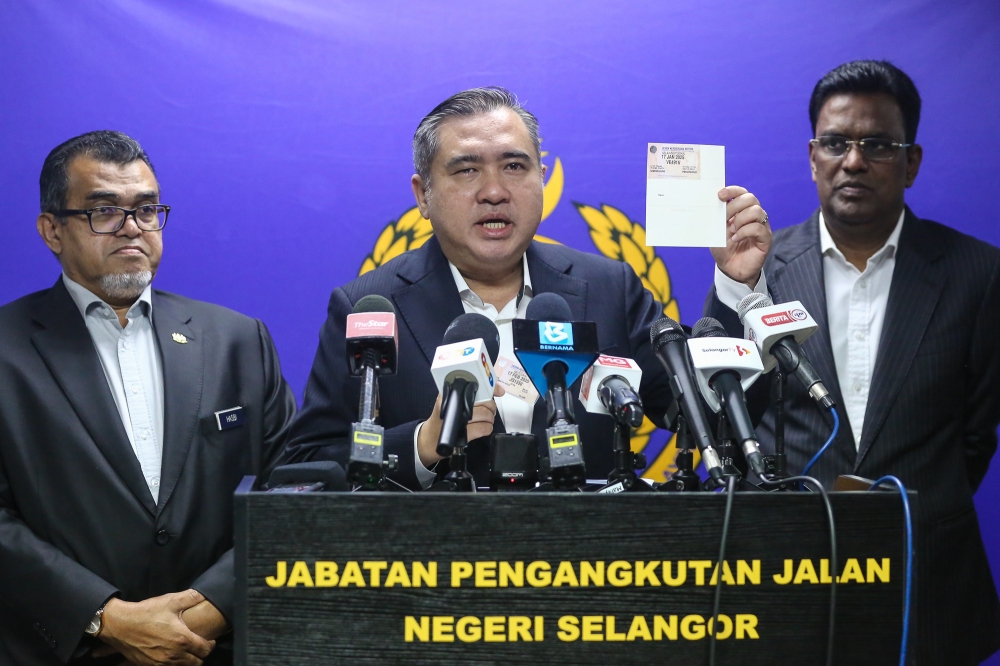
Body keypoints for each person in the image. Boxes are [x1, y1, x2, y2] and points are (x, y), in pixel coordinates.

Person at [284, 86, 768, 490]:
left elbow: (712, 416)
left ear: (541, 176)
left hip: (592, 576)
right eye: (466, 169)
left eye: (515, 166)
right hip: (433, 580)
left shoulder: (607, 287)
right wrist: (421, 445)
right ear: (422, 196)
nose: (494, 190)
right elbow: (308, 466)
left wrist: (734, 285)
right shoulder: (370, 305)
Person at [706, 60, 1000, 664]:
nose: (855, 161)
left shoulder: (979, 274)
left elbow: (976, 435)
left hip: (927, 579)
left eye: (878, 145)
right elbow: (718, 417)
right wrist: (735, 289)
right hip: (781, 573)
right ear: (814, 156)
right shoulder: (758, 268)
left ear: (911, 161)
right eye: (836, 143)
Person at [0, 131, 296, 665]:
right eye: (103, 211)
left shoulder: (237, 340)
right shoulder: (7, 346)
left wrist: (208, 610)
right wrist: (106, 619)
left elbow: (293, 489)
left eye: (146, 209)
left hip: (216, 649)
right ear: (52, 230)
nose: (132, 226)